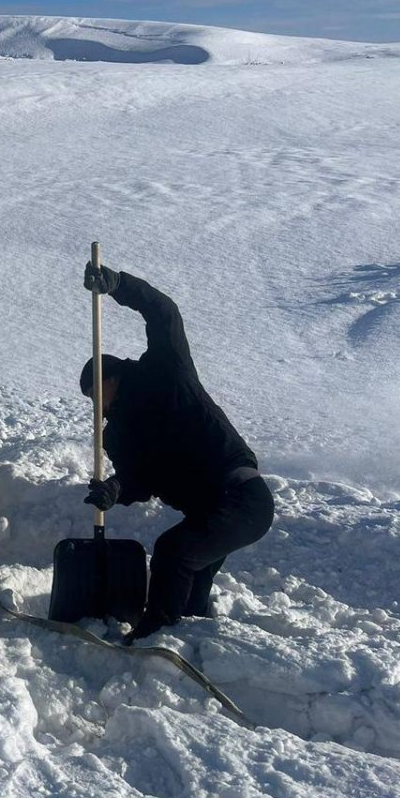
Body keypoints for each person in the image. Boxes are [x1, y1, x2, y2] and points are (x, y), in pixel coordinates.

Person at [80, 261, 274, 643]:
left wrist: (119, 285)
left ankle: (156, 637)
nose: (96, 407)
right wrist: (116, 490)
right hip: (210, 509)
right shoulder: (118, 434)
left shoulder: (165, 372)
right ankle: (193, 642)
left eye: (96, 396)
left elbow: (163, 312)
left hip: (242, 497)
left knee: (174, 551)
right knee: (191, 580)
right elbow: (140, 479)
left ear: (111, 378)